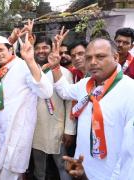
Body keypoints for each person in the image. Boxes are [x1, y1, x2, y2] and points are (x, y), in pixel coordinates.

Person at [48, 37, 134, 180]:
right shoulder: (86, 84)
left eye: (100, 56)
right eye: (88, 58)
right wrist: (55, 67)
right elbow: (64, 91)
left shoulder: (130, 91)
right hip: (82, 168)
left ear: (115, 57)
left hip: (112, 174)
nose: (93, 62)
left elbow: (130, 152)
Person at [0, 28, 53, 179]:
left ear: (11, 49)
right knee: (9, 174)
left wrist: (30, 60)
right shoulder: (2, 71)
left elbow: (46, 92)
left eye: (1, 50)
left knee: (12, 174)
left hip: (19, 132)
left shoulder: (24, 66)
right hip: (4, 133)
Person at [32, 30, 75, 180]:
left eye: (44, 47)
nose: (41, 51)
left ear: (51, 49)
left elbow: (70, 103)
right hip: (35, 128)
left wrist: (69, 130)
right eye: (37, 48)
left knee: (63, 167)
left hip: (57, 127)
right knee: (39, 170)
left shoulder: (64, 73)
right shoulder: (30, 72)